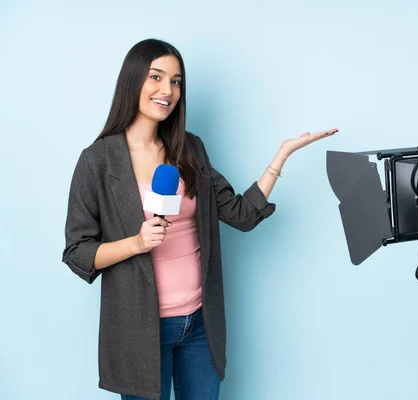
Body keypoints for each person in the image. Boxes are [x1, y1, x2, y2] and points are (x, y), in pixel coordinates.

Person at [62, 38, 337, 400]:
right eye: (156, 77)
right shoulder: (98, 161)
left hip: (199, 326)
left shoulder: (190, 148)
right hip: (141, 330)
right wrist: (137, 243)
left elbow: (240, 214)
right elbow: (78, 252)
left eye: (176, 81)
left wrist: (281, 157)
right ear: (133, 81)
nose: (167, 90)